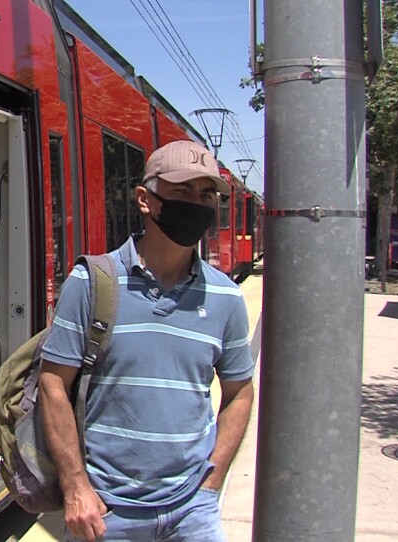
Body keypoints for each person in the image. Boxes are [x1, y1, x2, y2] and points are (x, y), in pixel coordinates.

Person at [39, 140, 254, 541]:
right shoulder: (90, 283)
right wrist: (74, 486)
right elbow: (52, 383)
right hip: (106, 512)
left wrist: (212, 483)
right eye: (181, 191)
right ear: (145, 199)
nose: (196, 203)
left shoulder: (227, 297)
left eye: (206, 195)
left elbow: (240, 391)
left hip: (193, 512)